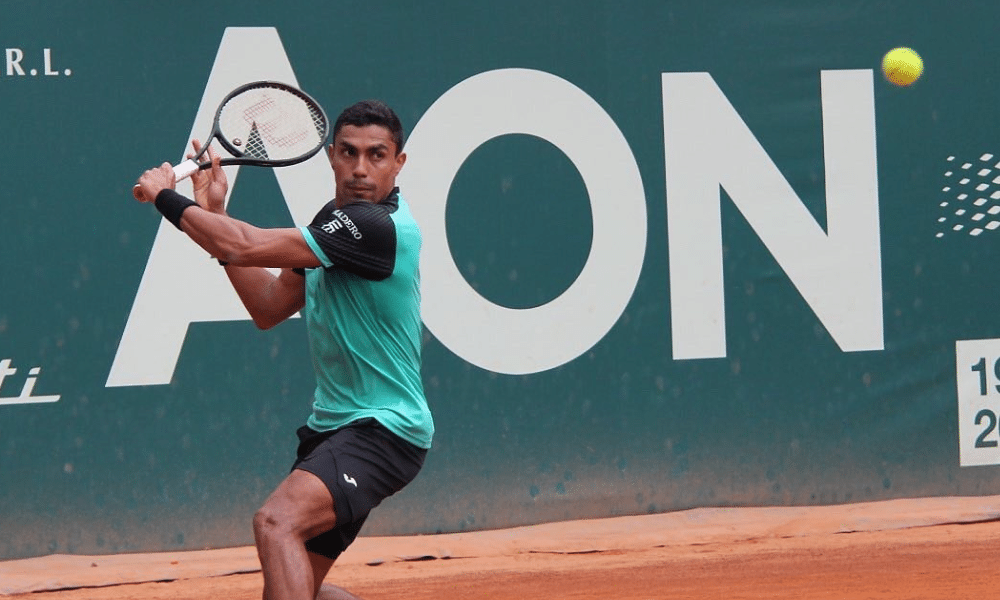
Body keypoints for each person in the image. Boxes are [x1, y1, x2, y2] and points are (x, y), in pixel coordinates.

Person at [134, 100, 434, 600]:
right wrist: (213, 213)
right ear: (332, 156)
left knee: (276, 523)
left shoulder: (379, 228)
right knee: (303, 589)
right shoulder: (332, 224)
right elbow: (269, 306)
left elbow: (242, 246)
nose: (361, 168)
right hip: (333, 429)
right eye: (350, 153)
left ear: (398, 163)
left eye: (377, 155)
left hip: (384, 430)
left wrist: (168, 198)